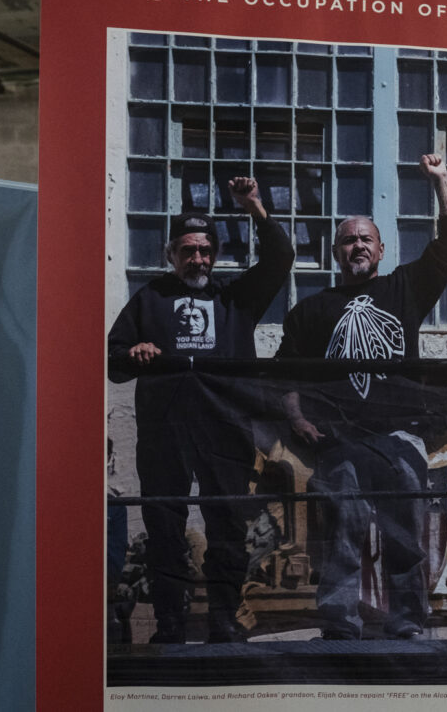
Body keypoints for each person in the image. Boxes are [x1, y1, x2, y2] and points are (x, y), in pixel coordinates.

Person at [276, 153, 447, 640]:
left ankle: (408, 624)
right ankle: (339, 627)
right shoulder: (309, 311)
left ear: (381, 250)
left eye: (365, 239)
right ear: (335, 252)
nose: (356, 245)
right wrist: (297, 419)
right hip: (340, 441)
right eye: (347, 240)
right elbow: (286, 377)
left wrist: (440, 181)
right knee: (341, 534)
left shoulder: (405, 287)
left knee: (407, 537)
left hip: (401, 437)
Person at [108, 177, 294, 643]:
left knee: (228, 523)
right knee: (164, 527)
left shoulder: (236, 299)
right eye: (188, 250)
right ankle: (170, 624)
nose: (198, 259)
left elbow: (280, 259)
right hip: (163, 434)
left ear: (214, 253)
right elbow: (114, 358)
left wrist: (254, 204)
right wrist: (136, 353)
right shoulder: (149, 298)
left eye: (205, 250)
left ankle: (223, 619)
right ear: (171, 254)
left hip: (224, 428)